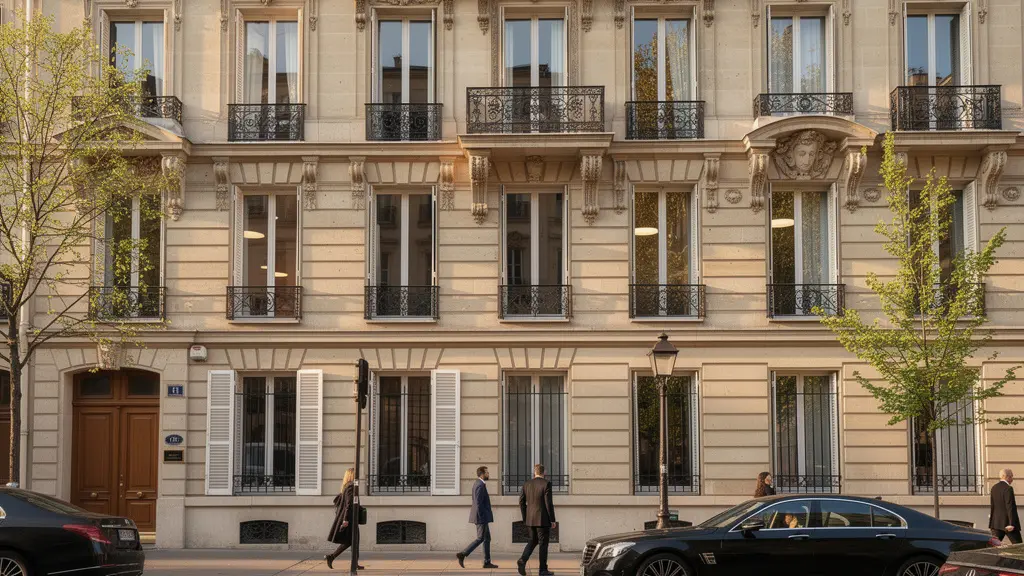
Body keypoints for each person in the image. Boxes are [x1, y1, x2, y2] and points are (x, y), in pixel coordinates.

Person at [518, 464, 557, 576]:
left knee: (533, 541)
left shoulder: (527, 484)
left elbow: (521, 502)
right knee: (543, 544)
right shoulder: (546, 483)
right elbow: (548, 503)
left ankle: (522, 560)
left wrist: (525, 517)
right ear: (543, 472)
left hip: (530, 519)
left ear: (534, 472)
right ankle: (543, 570)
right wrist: (552, 520)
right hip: (543, 520)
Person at [457, 466, 498, 569]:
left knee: (487, 538)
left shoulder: (479, 484)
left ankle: (487, 562)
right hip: (481, 517)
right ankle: (463, 554)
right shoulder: (480, 485)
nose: (488, 474)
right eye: (487, 473)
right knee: (481, 538)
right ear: (482, 474)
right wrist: (483, 517)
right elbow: (478, 503)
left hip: (482, 516)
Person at [325, 468, 364, 570]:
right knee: (353, 541)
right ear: (352, 475)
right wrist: (346, 519)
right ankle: (332, 556)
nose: (358, 476)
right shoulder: (351, 487)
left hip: (350, 518)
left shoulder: (346, 486)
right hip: (350, 519)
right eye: (356, 474)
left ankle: (335, 557)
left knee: (352, 541)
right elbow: (349, 505)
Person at [990, 468, 1022, 544]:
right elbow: (1010, 506)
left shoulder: (994, 488)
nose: (1012, 479)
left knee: (994, 546)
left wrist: (992, 522)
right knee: (1018, 546)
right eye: (1011, 476)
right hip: (1008, 524)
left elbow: (993, 505)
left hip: (996, 523)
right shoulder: (1008, 488)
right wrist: (1011, 524)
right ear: (1006, 476)